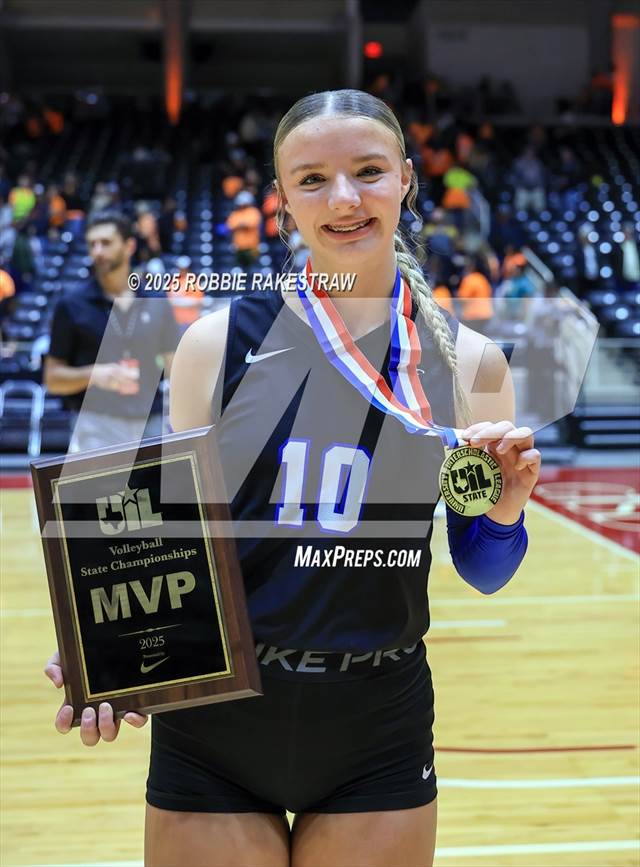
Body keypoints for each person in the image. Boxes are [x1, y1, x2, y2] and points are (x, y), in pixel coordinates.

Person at [44, 91, 540, 867]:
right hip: (219, 718)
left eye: (368, 171)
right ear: (281, 199)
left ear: (407, 179)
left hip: (377, 716)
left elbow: (484, 567)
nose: (344, 199)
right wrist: (103, 642)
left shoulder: (467, 364)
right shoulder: (216, 343)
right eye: (312, 179)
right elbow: (178, 537)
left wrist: (505, 515)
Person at [43, 210, 180, 452]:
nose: (97, 251)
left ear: (129, 246)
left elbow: (174, 368)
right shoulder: (71, 305)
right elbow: (53, 379)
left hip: (151, 422)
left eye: (105, 243)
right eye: (92, 244)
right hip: (95, 424)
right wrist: (95, 374)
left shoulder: (156, 300)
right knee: (101, 491)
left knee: (154, 491)